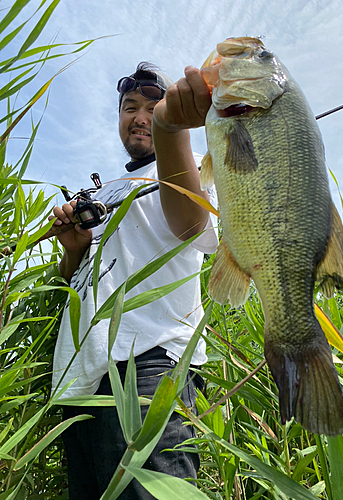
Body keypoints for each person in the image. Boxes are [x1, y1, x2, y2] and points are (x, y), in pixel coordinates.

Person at [50, 62, 218, 499]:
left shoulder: (192, 169)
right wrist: (74, 249)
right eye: (129, 108)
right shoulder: (104, 190)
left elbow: (191, 224)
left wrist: (172, 127)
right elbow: (77, 283)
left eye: (153, 107)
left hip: (148, 365)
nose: (139, 116)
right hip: (80, 382)